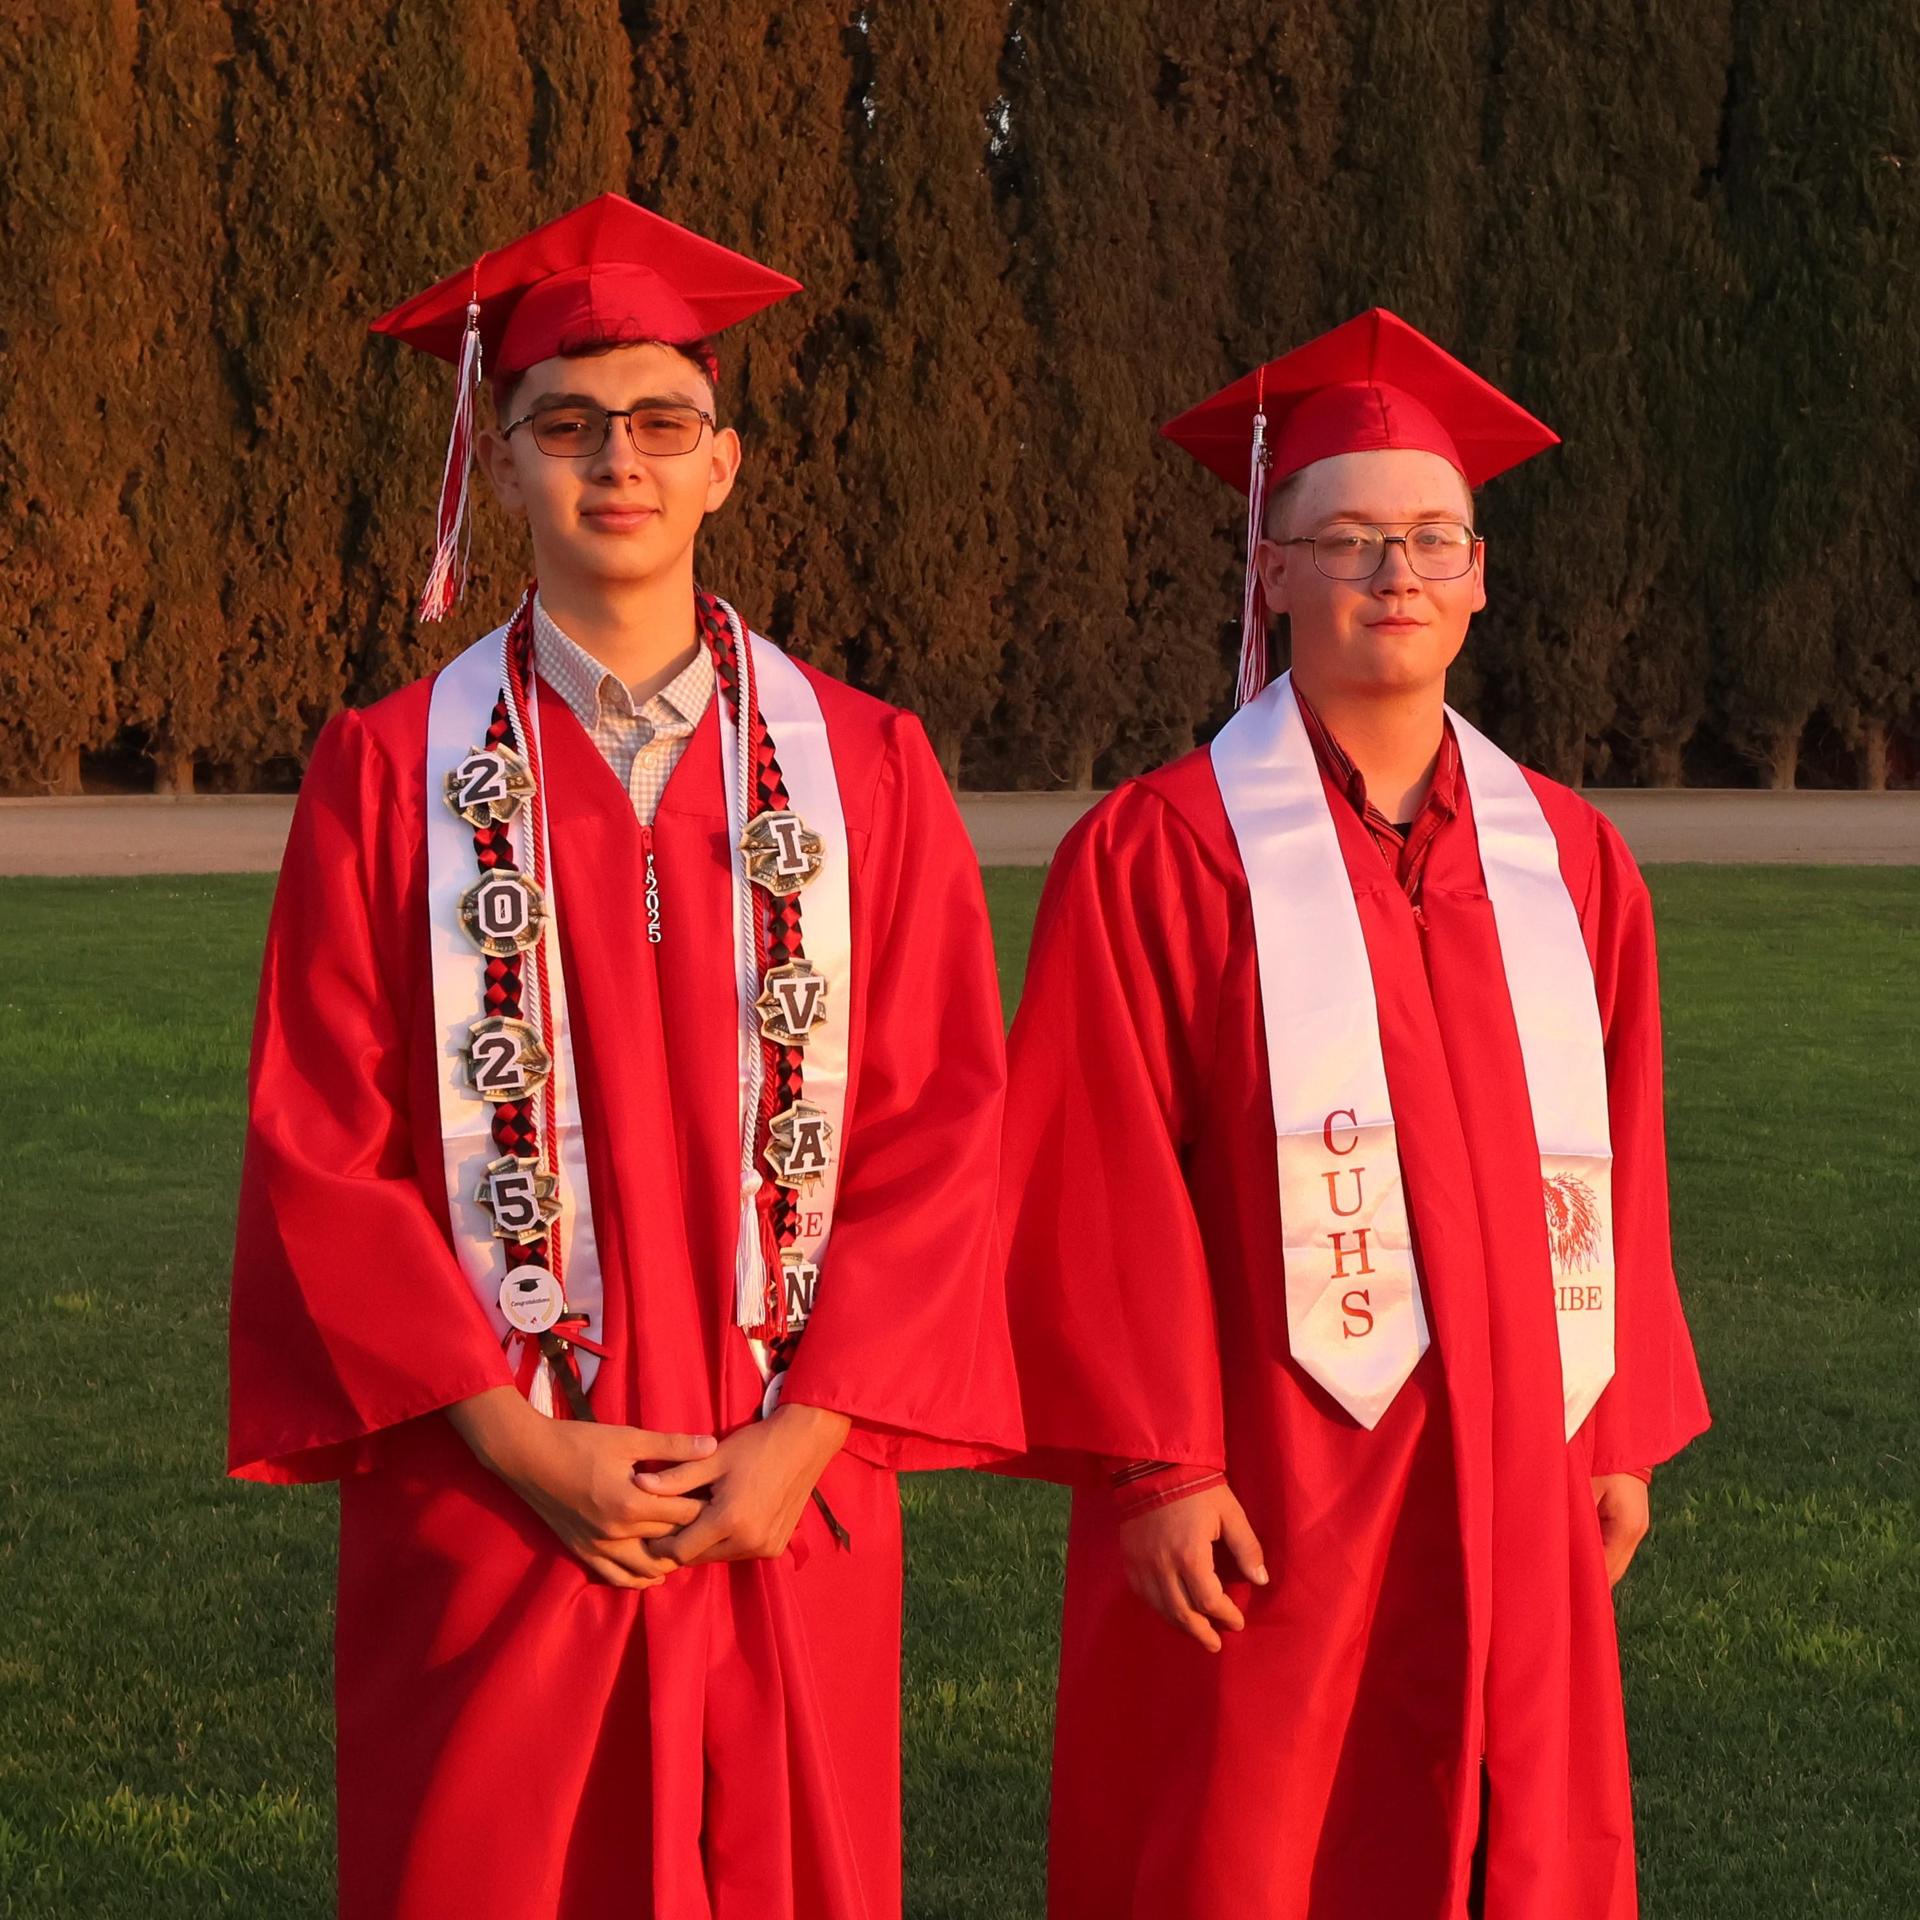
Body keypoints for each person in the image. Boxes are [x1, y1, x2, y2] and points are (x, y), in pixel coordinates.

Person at [228, 191, 1021, 1920]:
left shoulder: (864, 767)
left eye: (663, 424)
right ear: (498, 466)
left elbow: (949, 1123)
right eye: (566, 427)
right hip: (499, 1491)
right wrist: (519, 1443)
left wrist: (809, 1436)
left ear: (725, 465)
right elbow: (320, 1142)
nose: (618, 463)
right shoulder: (390, 773)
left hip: (778, 1484)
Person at [998, 308, 1709, 1919]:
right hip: (1273, 1474)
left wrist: (1612, 1437)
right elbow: (1094, 1173)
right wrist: (1158, 1468)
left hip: (1521, 1451)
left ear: (1476, 578)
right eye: (1347, 538)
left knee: (1503, 1827)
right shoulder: (1161, 853)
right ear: (1271, 575)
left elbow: (1623, 1155)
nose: (1395, 570)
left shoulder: (1571, 862)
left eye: (1431, 538)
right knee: (1251, 1835)